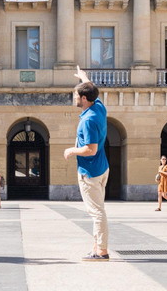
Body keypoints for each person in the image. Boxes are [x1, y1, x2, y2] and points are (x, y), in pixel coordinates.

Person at [64, 66, 110, 262]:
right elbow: (92, 88)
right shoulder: (98, 107)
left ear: (84, 98)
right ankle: (96, 247)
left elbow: (90, 149)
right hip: (101, 168)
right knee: (98, 209)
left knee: (97, 212)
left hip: (89, 171)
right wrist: (83, 76)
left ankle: (101, 251)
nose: (74, 98)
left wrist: (71, 150)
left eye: (76, 95)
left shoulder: (88, 121)